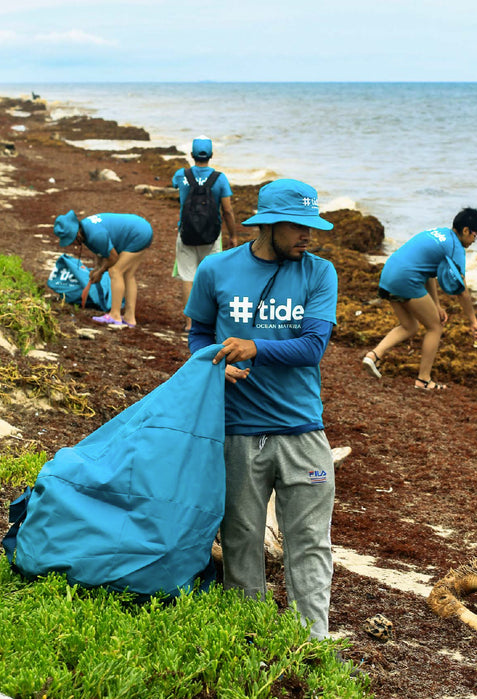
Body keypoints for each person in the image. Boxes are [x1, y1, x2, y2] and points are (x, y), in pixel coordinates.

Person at [185, 179, 338, 640]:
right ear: (269, 224)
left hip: (302, 430)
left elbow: (313, 346)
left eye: (313, 226)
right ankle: (245, 636)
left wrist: (254, 348)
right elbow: (198, 335)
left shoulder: (319, 272)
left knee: (310, 543)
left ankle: (311, 642)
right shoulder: (215, 270)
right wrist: (215, 366)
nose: (309, 236)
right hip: (236, 430)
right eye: (299, 227)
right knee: (241, 540)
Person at [363, 207, 477, 389]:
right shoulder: (456, 247)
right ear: (466, 230)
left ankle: (373, 356)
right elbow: (462, 291)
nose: (474, 240)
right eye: (475, 235)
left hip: (389, 274)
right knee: (435, 327)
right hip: (406, 279)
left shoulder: (438, 233)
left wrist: (436, 305)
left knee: (409, 326)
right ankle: (424, 380)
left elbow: (429, 273)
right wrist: (473, 321)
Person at [172, 135, 237, 334]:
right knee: (210, 278)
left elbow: (176, 185)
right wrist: (233, 235)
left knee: (188, 277)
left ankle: (190, 324)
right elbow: (227, 210)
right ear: (211, 155)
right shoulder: (220, 179)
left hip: (186, 233)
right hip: (212, 235)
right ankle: (209, 322)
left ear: (191, 155)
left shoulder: (181, 175)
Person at [53, 210, 153, 327]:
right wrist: (97, 268)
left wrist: (100, 272)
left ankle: (114, 315)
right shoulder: (86, 229)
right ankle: (129, 318)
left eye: (71, 239)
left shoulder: (94, 235)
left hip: (137, 234)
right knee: (127, 275)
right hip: (142, 229)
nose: (72, 243)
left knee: (115, 271)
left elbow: (113, 258)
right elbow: (101, 252)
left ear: (77, 234)